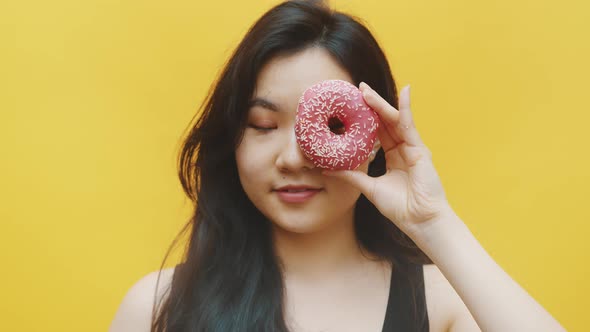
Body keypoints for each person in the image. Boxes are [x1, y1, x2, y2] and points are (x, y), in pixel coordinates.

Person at [110, 1, 566, 331]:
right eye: (263, 125)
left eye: (323, 126)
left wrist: (433, 222)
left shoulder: (439, 303)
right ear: (232, 138)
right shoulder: (158, 308)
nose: (291, 158)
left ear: (375, 136)